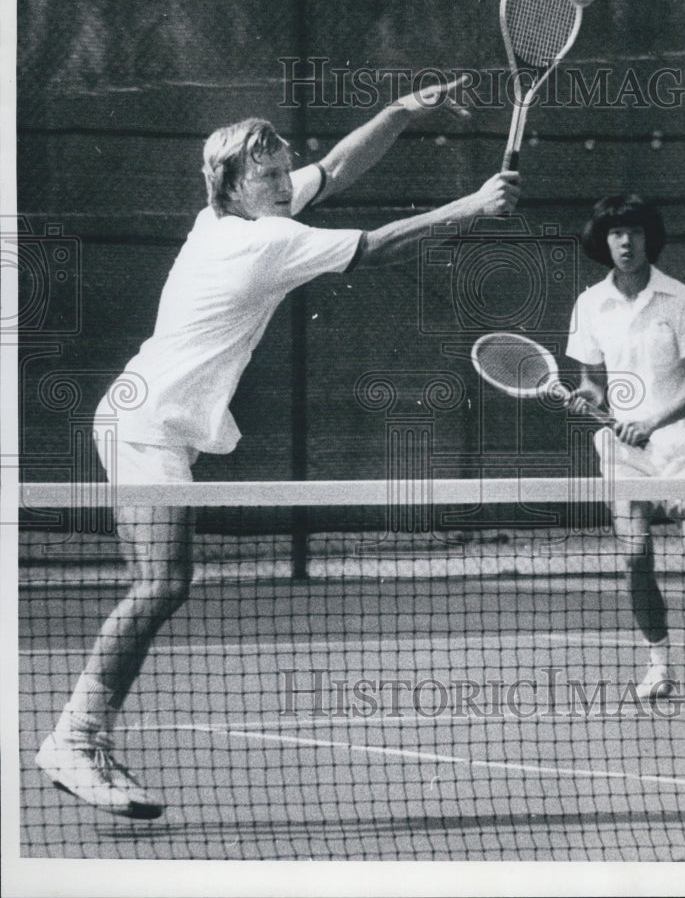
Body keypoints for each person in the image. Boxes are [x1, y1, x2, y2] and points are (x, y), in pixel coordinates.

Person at [36, 79, 521, 818]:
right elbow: (381, 246)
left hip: (137, 417)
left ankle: (82, 734)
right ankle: (76, 739)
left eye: (282, 168)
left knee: (157, 585)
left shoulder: (227, 216)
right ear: (232, 182)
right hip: (146, 427)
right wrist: (473, 208)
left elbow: (337, 169)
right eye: (269, 174)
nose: (283, 181)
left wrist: (399, 112)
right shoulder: (265, 240)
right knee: (163, 584)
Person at [565, 193, 685, 701]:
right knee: (636, 558)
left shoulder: (681, 298)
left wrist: (651, 420)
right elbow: (591, 380)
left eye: (634, 232)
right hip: (623, 453)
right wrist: (590, 397)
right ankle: (659, 663)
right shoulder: (589, 304)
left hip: (681, 446)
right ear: (603, 242)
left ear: (649, 237)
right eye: (615, 233)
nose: (625, 242)